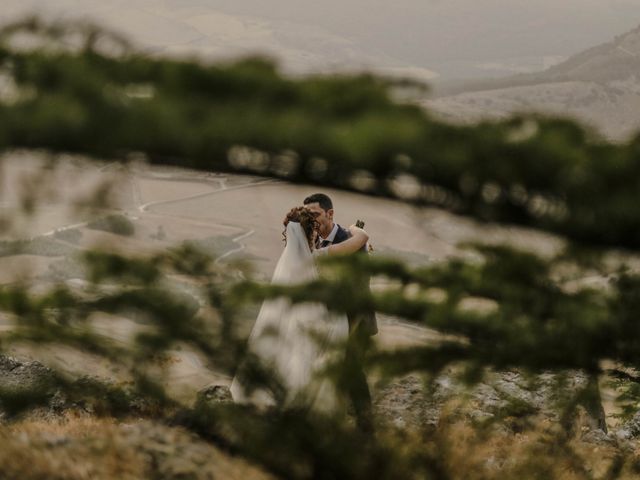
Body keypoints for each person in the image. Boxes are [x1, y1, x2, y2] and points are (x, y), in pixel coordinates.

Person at [230, 206, 369, 414]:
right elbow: (361, 238)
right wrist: (353, 227)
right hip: (320, 324)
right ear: (311, 232)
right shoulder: (320, 256)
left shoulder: (285, 263)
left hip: (293, 324)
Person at [303, 193, 378, 433]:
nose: (312, 220)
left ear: (330, 213)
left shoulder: (351, 240)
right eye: (308, 216)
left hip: (355, 319)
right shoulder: (312, 242)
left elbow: (359, 285)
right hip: (329, 322)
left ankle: (366, 428)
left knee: (352, 369)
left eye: (315, 214)